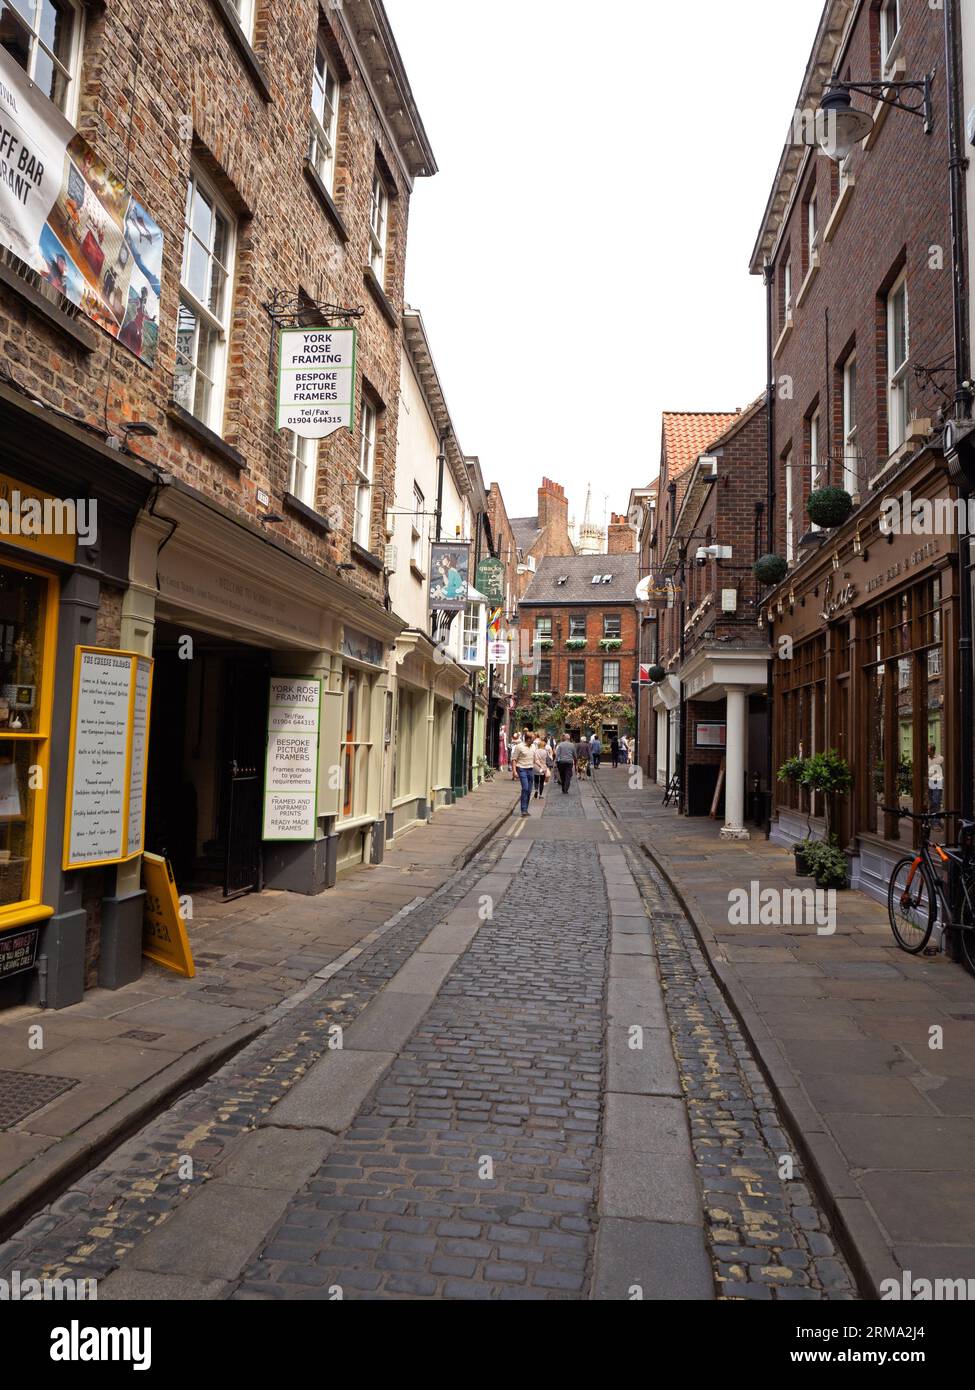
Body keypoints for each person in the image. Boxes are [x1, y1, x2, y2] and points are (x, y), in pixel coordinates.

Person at [511, 730, 536, 816]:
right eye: (533, 739)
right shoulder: (519, 746)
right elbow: (514, 759)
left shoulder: (534, 747)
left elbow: (535, 759)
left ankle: (525, 809)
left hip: (530, 769)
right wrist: (514, 771)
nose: (534, 740)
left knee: (529, 790)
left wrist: (543, 767)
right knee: (525, 788)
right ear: (528, 739)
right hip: (521, 769)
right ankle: (523, 810)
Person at [928, 743, 944, 821]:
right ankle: (931, 820)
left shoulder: (940, 758)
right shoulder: (926, 758)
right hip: (928, 783)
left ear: (932, 750)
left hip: (937, 783)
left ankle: (936, 822)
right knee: (930, 802)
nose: (926, 751)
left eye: (928, 750)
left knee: (936, 801)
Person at [532, 734, 552, 800]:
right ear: (544, 746)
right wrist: (549, 767)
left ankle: (536, 790)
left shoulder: (535, 751)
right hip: (543, 768)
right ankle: (540, 795)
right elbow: (548, 760)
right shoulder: (545, 752)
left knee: (536, 780)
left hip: (536, 767)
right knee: (542, 781)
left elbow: (533, 759)